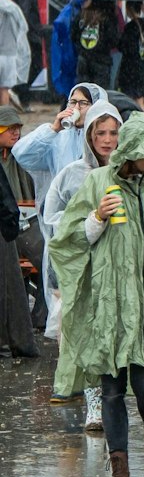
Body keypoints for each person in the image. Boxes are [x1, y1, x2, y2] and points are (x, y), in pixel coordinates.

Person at [48, 113, 144, 477]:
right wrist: (96, 219)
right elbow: (67, 241)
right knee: (110, 390)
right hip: (109, 306)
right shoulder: (97, 182)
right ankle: (120, 472)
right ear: (130, 151)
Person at [43, 97, 122, 424]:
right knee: (88, 334)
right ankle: (93, 403)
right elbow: (52, 219)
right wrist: (89, 222)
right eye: (100, 132)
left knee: (116, 334)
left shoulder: (130, 173)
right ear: (89, 135)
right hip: (82, 268)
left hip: (119, 267)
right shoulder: (71, 174)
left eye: (113, 133)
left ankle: (114, 401)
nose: (106, 140)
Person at [0, 107, 38, 359]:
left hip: (23, 225)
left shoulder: (22, 158)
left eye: (18, 129)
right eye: (9, 128)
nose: (15, 133)